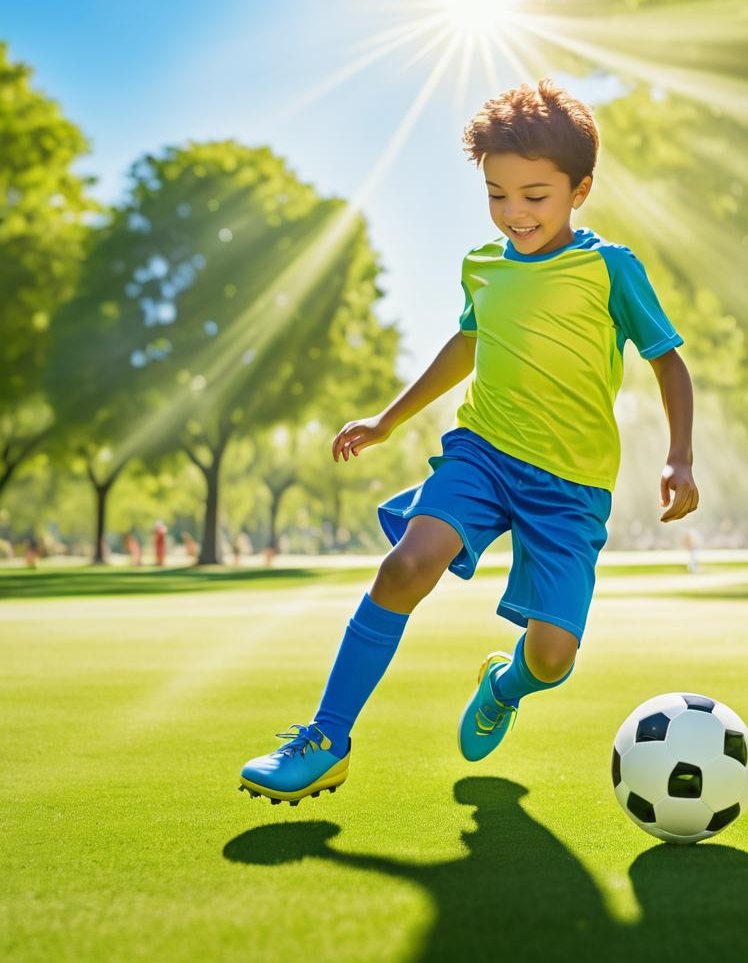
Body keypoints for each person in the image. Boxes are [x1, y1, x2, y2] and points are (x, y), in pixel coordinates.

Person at [238, 78, 700, 805]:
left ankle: (503, 684)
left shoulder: (611, 269)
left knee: (552, 656)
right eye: (497, 194)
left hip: (572, 486)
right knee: (404, 567)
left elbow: (667, 358)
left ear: (580, 190)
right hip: (482, 454)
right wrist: (388, 419)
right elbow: (467, 344)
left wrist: (680, 455)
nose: (514, 213)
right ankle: (325, 740)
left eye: (535, 196)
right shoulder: (482, 267)